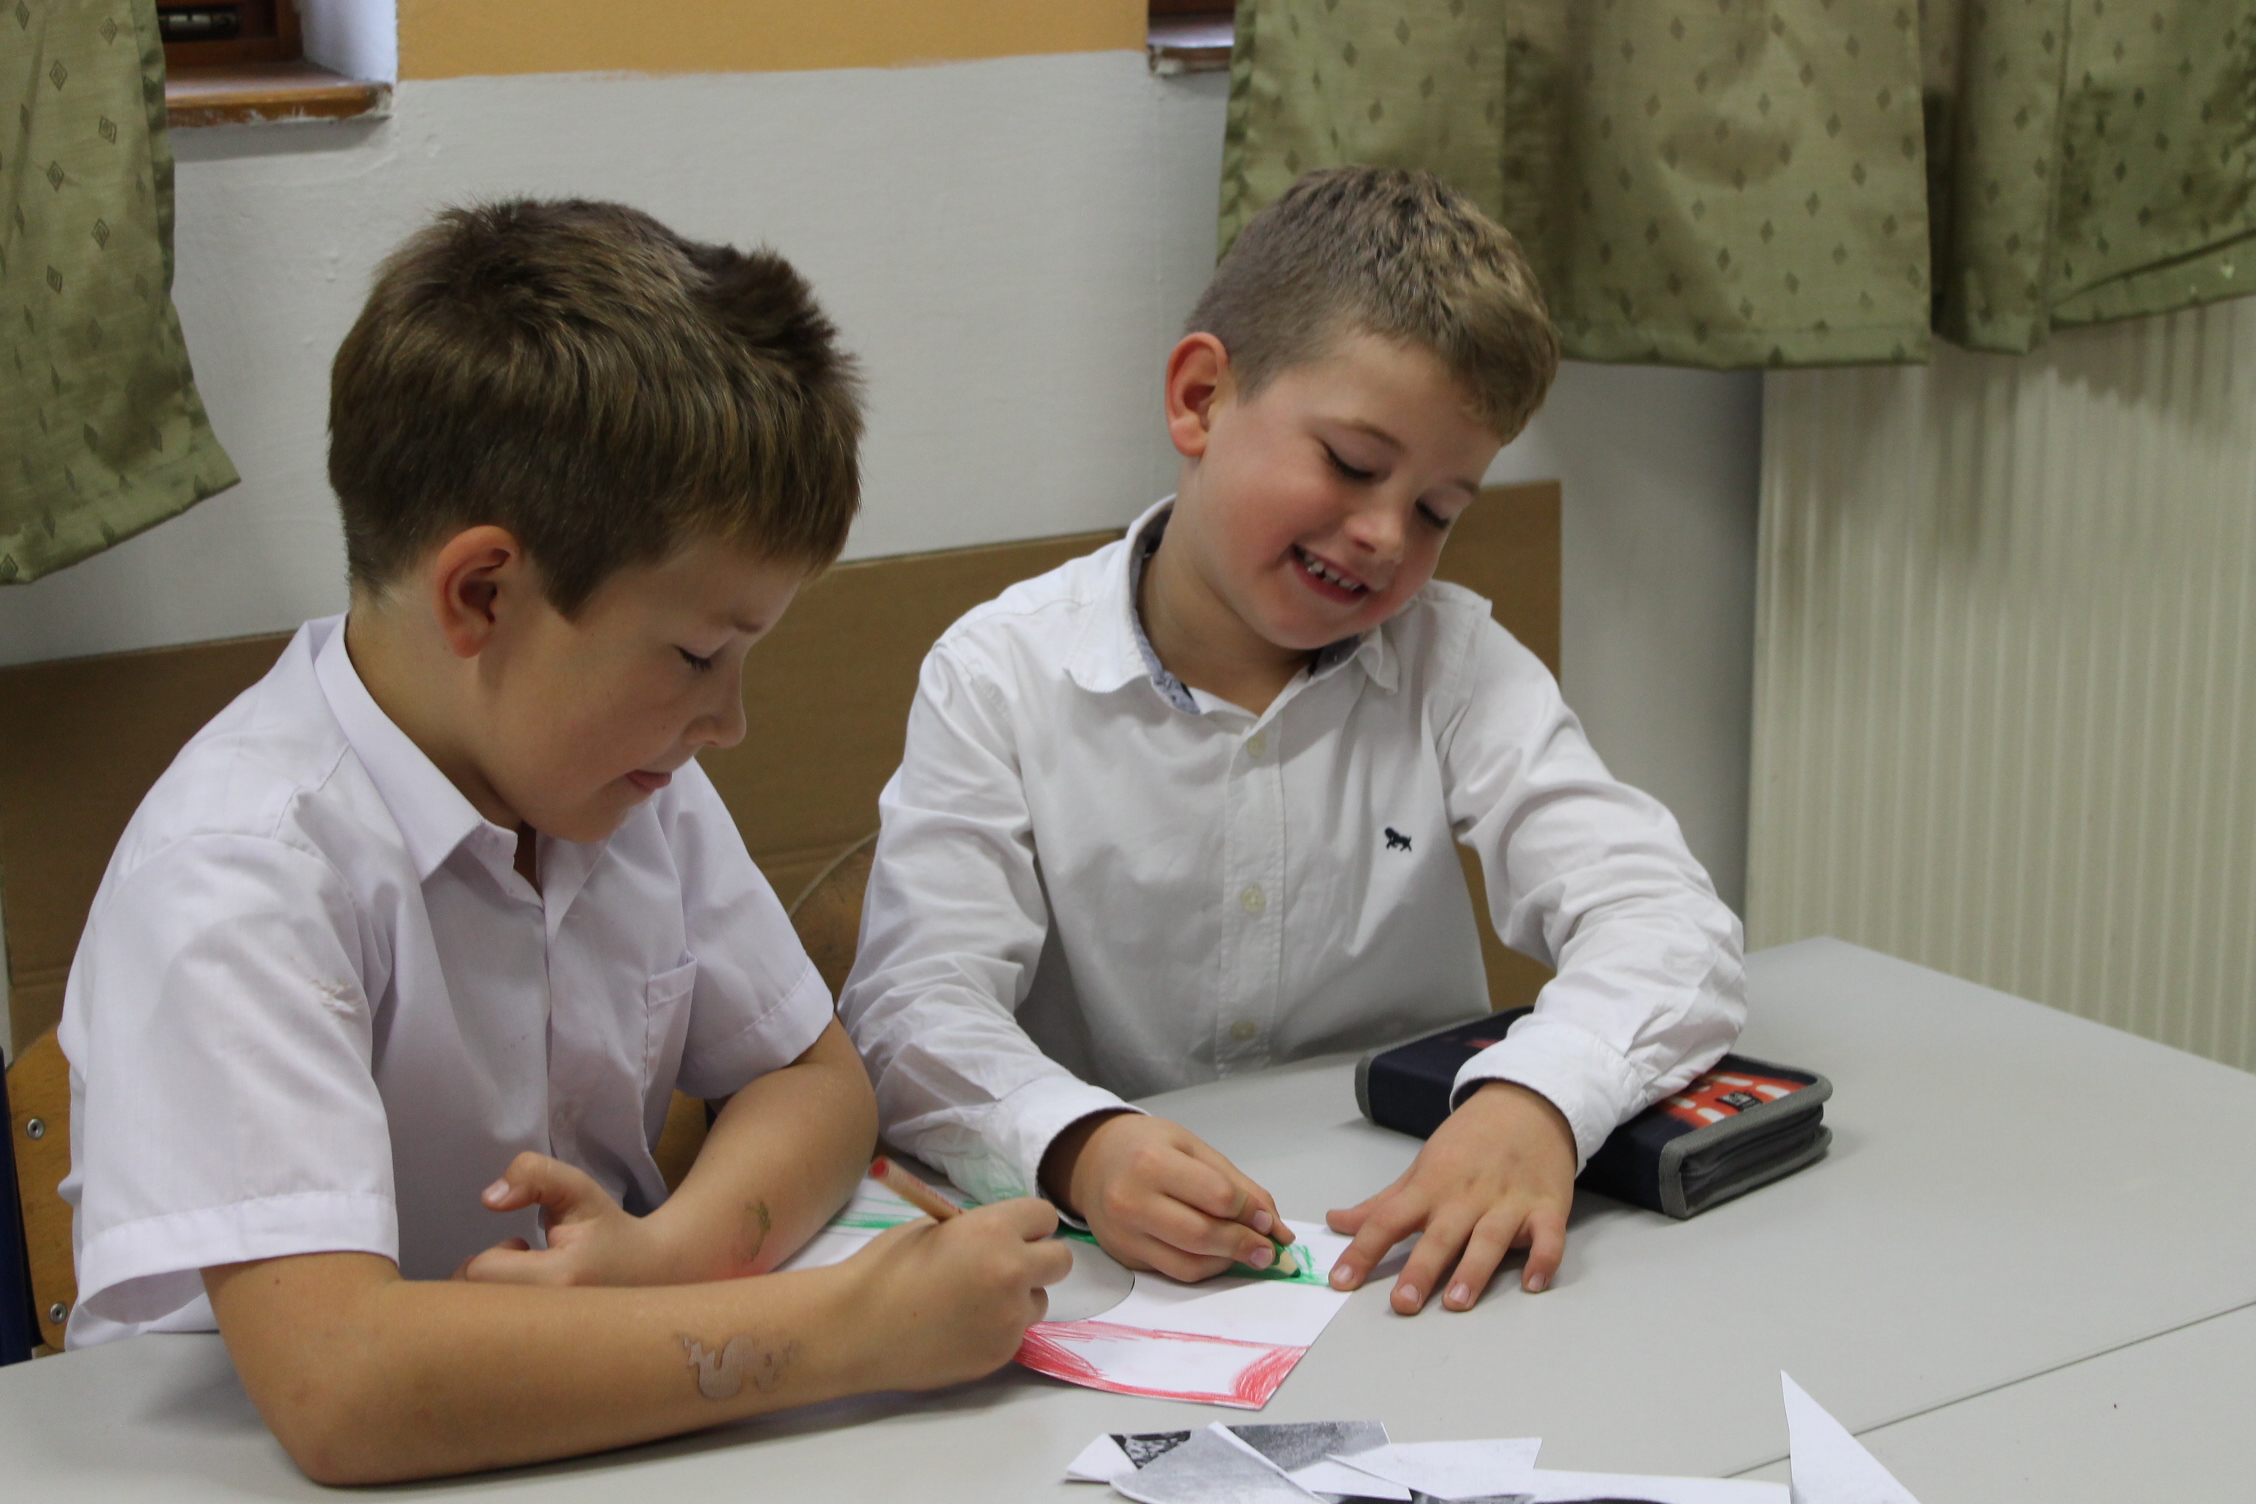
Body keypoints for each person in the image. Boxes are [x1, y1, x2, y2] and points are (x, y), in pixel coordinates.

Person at [57, 199, 1067, 1484]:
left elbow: (814, 1080)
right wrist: (848, 1333)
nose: (730, 720)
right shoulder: (240, 870)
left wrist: (666, 1255)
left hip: (587, 1436)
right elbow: (340, 1388)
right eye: (697, 655)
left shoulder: (612, 777)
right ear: (483, 594)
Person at [840, 167, 1744, 1320]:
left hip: (1408, 1242)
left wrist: (1537, 1099)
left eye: (1438, 511)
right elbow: (914, 1003)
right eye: (1354, 465)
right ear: (1201, 398)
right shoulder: (999, 675)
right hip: (1118, 1268)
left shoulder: (1454, 663)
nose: (1384, 536)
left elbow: (1664, 918)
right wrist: (1077, 1143)